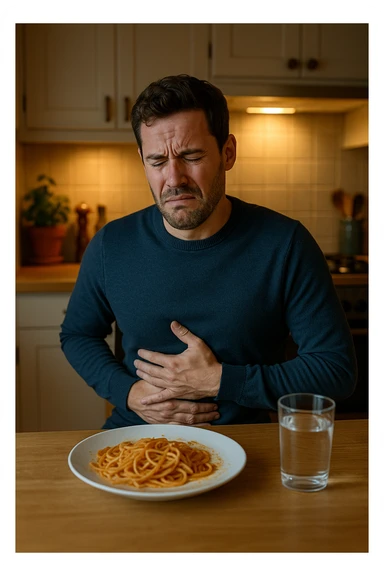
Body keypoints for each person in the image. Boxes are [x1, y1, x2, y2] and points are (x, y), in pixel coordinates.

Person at [60, 74, 357, 429]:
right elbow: (78, 335)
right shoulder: (112, 244)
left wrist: (219, 380)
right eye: (157, 161)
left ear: (227, 153)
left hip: (248, 446)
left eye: (192, 156)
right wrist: (127, 392)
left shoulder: (285, 244)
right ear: (142, 159)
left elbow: (335, 369)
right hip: (136, 440)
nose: (174, 179)